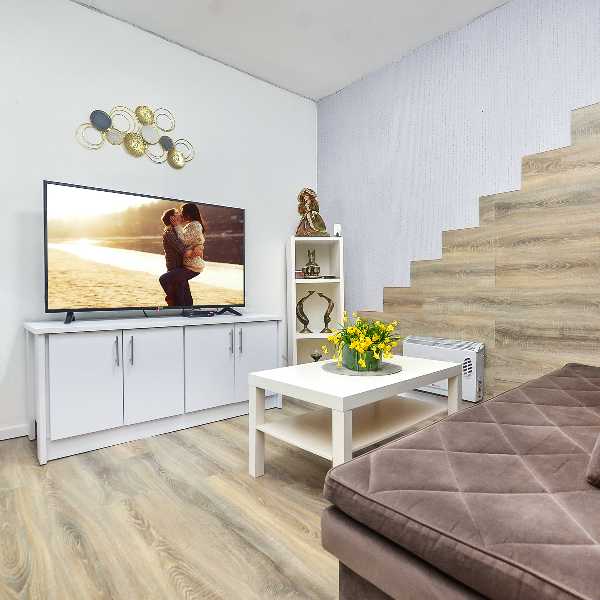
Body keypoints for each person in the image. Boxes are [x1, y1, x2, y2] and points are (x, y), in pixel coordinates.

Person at [158, 204, 205, 307]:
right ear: (172, 218)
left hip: (182, 267)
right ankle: (172, 301)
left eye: (181, 213)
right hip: (175, 267)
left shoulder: (177, 229)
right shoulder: (170, 232)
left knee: (184, 296)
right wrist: (197, 251)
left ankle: (176, 304)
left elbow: (191, 239)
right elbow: (183, 250)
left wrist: (199, 245)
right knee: (182, 296)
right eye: (177, 213)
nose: (180, 215)